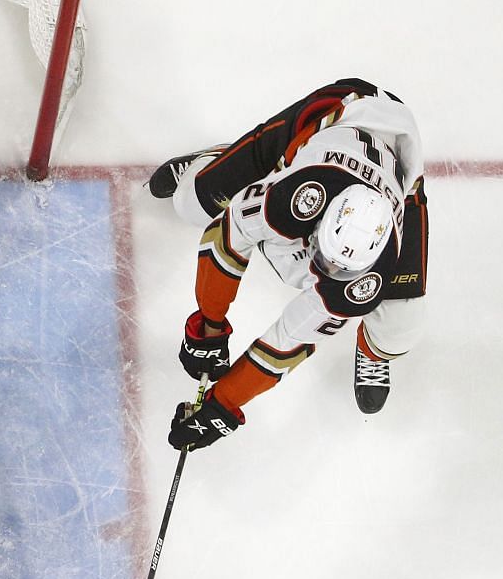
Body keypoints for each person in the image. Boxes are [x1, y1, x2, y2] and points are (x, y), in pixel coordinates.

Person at [149, 78, 431, 451]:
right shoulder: (294, 198)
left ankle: (372, 349)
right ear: (321, 220)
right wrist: (210, 324)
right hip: (335, 115)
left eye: (341, 272)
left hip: (398, 174)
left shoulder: (369, 278)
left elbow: (288, 340)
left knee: (401, 329)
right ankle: (214, 162)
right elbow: (226, 237)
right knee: (191, 204)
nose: (328, 275)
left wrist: (226, 404)